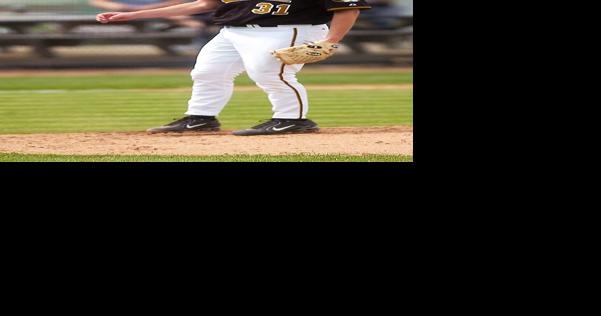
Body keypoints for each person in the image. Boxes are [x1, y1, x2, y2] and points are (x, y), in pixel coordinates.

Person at [96, 0, 371, 136]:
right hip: (233, 31)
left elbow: (347, 8)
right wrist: (132, 15)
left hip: (291, 28)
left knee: (269, 72)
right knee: (207, 72)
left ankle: (294, 121)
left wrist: (331, 41)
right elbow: (203, 4)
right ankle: (200, 118)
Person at [90, 0, 204, 29]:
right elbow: (96, 1)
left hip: (156, 11)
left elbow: (177, 2)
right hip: (125, 11)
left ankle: (198, 39)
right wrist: (121, 7)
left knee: (193, 23)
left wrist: (146, 9)